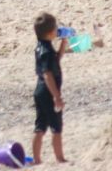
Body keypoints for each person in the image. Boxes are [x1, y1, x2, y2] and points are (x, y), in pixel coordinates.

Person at [31, 12, 69, 165]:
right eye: (56, 28)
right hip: (48, 92)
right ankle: (60, 158)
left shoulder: (42, 47)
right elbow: (48, 74)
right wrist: (56, 96)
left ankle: (37, 159)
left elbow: (56, 60)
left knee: (40, 126)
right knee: (56, 126)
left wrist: (63, 44)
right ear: (51, 32)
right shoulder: (46, 52)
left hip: (39, 91)